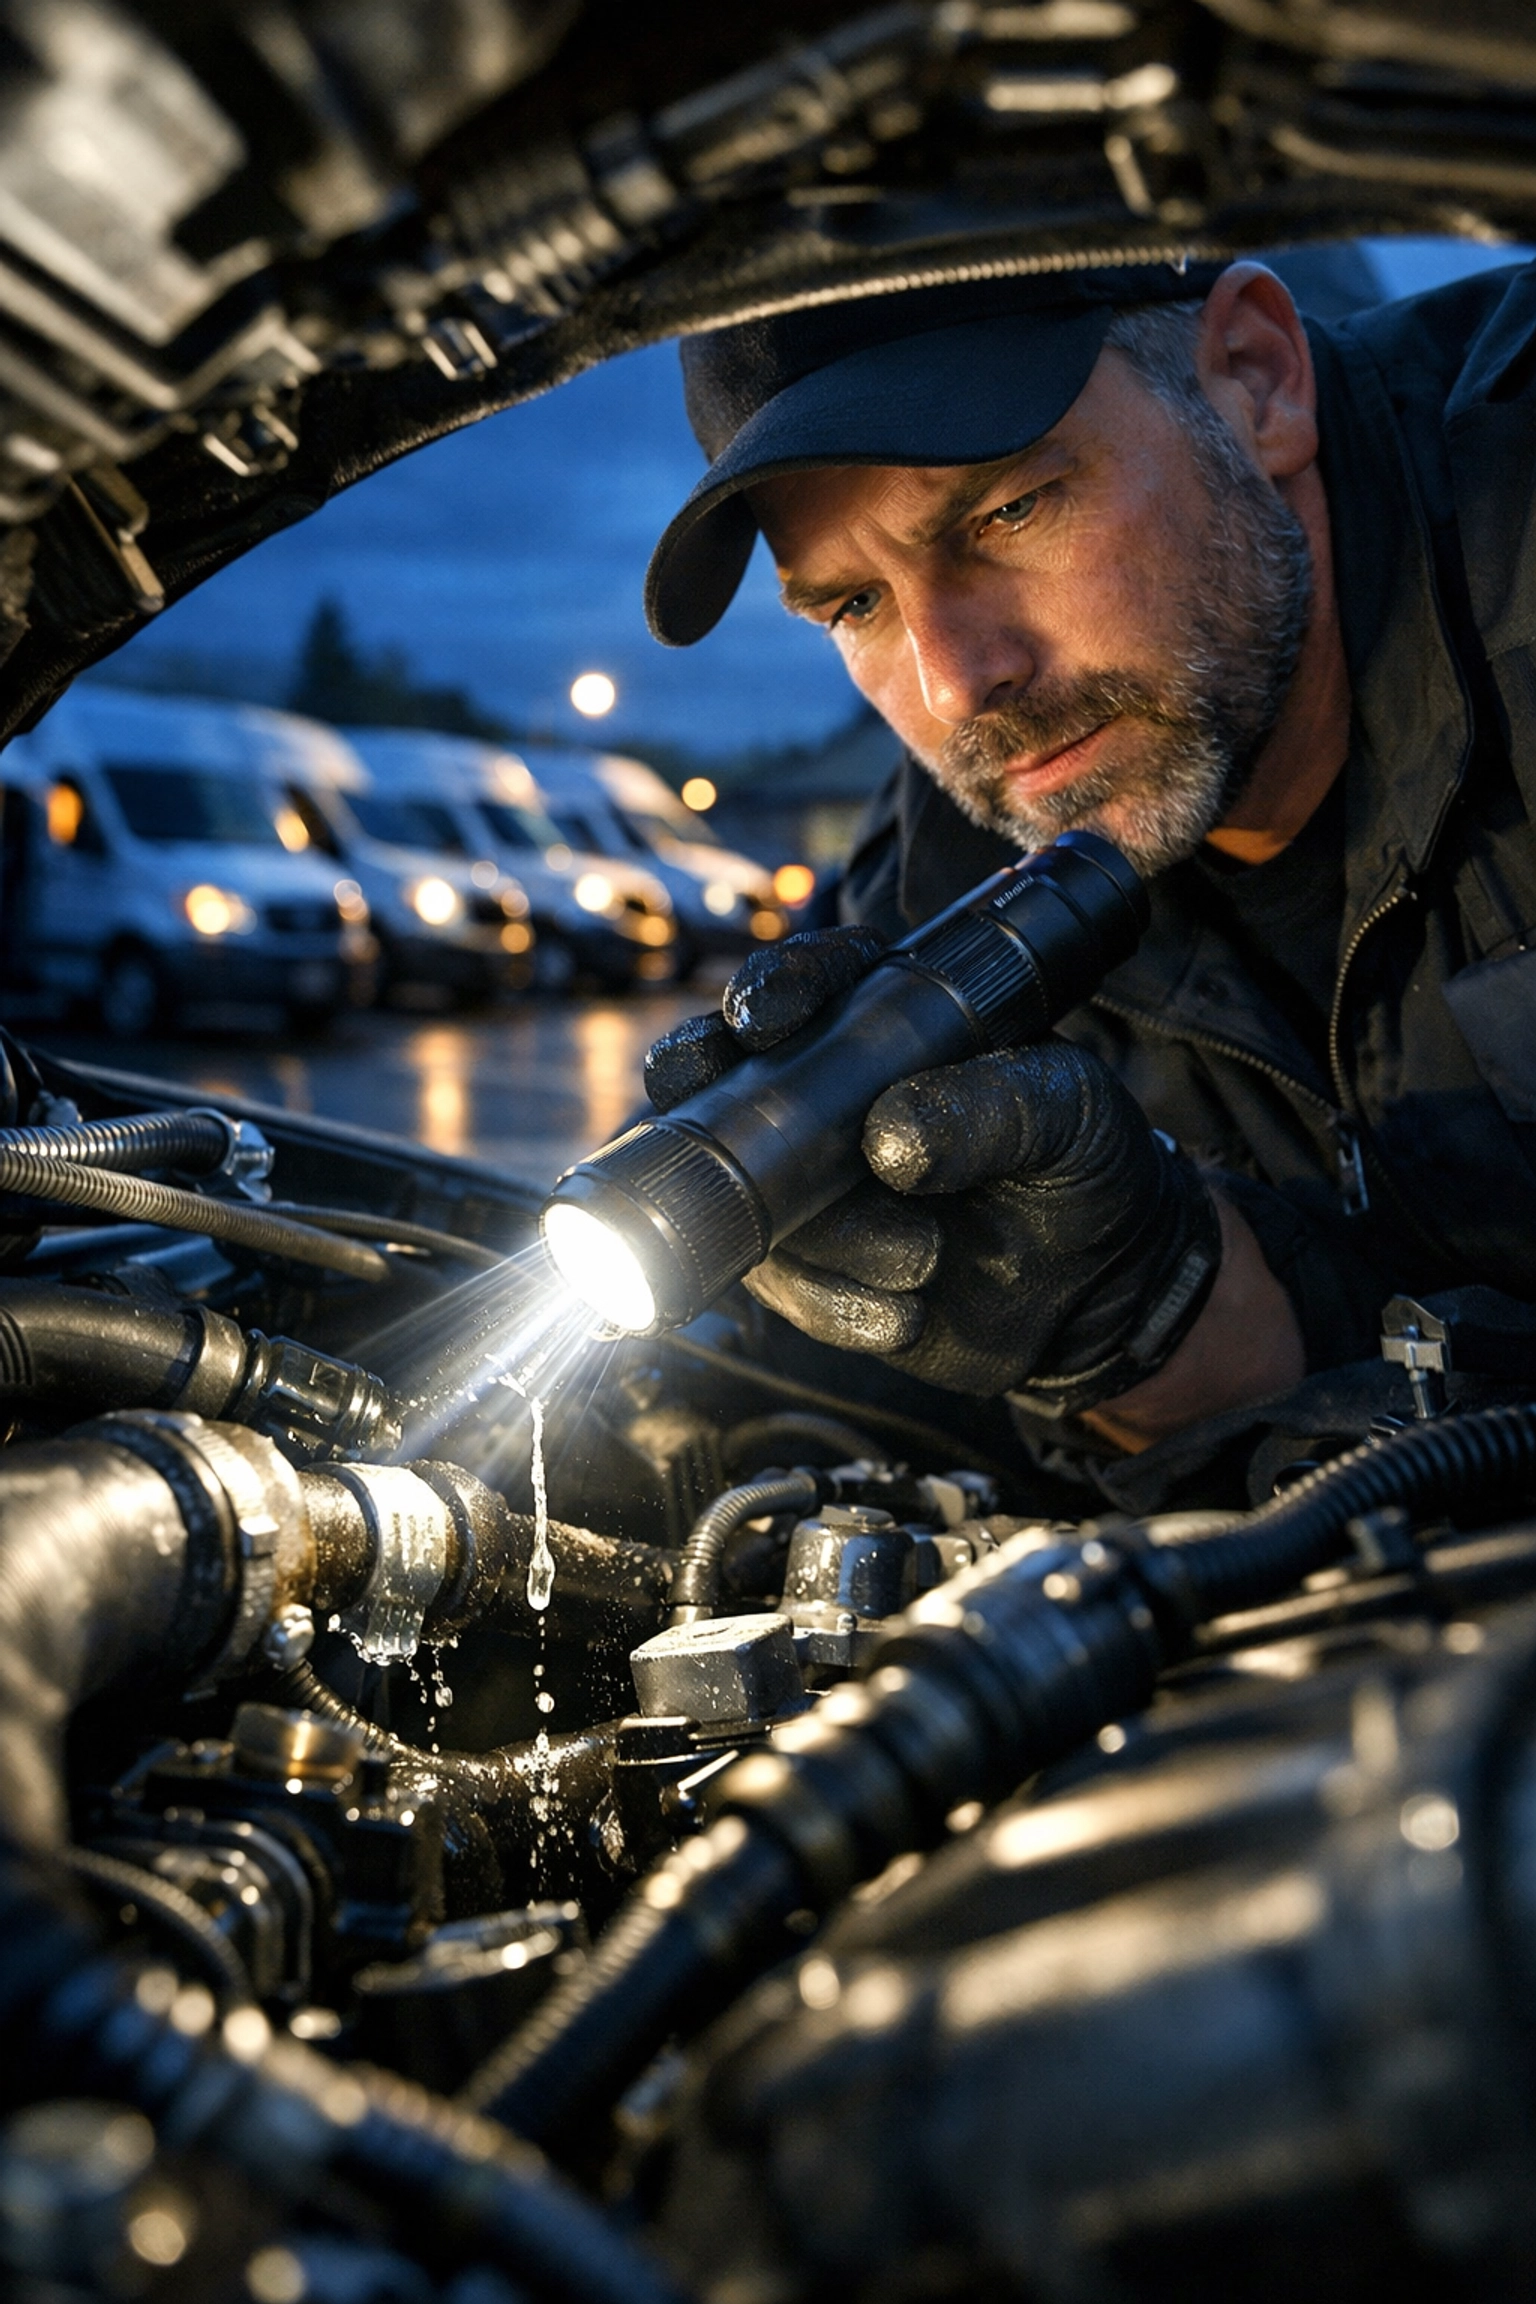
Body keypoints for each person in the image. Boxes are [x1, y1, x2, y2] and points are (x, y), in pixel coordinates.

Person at [640, 254, 1536, 1493]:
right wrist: (1133, 1312)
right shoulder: (936, 898)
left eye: (1007, 512)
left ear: (1255, 378)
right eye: (854, 604)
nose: (956, 683)